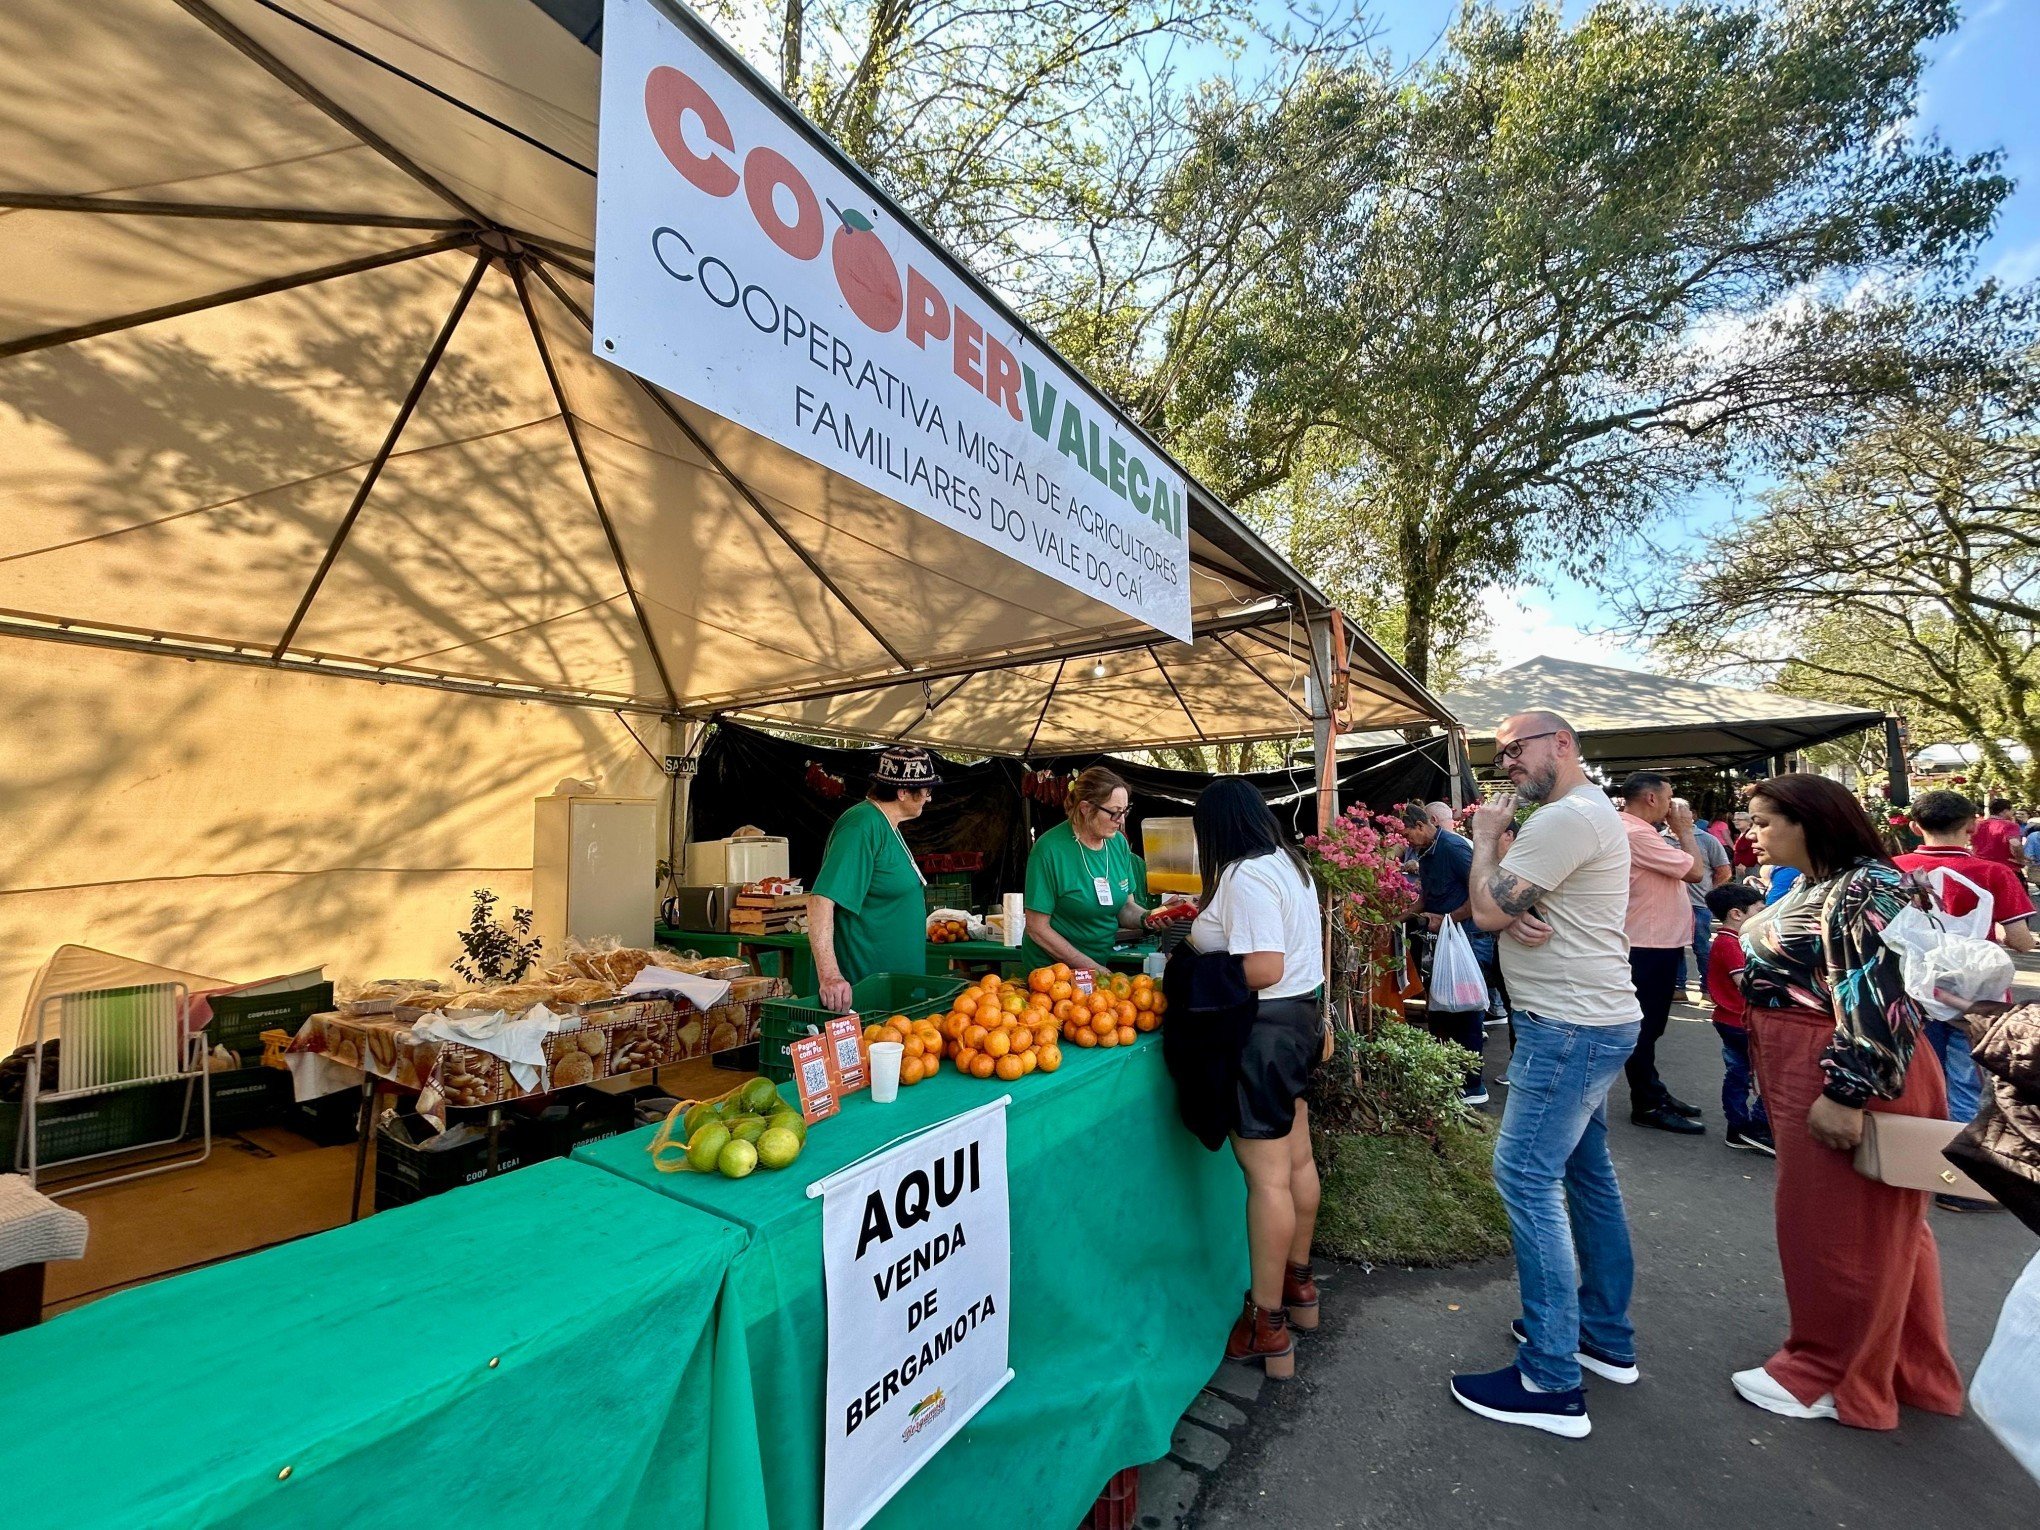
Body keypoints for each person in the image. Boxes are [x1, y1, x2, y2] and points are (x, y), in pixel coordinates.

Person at [1733, 773, 1963, 1430]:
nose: (1752, 833)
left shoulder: (1866, 887)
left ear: (1810, 821)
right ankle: (1898, 1367)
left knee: (1837, 1228)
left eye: (1763, 821)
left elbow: (1878, 994)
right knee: (1882, 1231)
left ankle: (1830, 1375)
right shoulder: (1827, 884)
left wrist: (1845, 1091)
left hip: (1844, 1069)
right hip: (1821, 1064)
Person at [1450, 711, 1640, 1439]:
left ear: (1561, 743)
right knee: (1587, 1177)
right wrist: (1514, 904)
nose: (1506, 765)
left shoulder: (1563, 819)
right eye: (1498, 755)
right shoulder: (1583, 814)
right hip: (1589, 1021)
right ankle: (1602, 1339)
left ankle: (1551, 1379)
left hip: (1567, 1028)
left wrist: (1489, 847)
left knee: (1526, 1178)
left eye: (1515, 749)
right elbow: (1510, 908)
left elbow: (1486, 909)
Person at [1177, 777, 1327, 1380]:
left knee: (1266, 1179)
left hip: (1262, 1034)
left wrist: (1197, 970)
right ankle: (1300, 1288)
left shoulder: (1244, 874)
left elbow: (1265, 966)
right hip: (1299, 1023)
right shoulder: (1290, 864)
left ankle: (1266, 1325)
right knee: (1296, 1162)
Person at [1891, 790, 2035, 1163]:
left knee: (1921, 1079)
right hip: (1975, 998)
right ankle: (1959, 1179)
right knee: (1966, 1084)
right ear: (1972, 825)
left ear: (1914, 825)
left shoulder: (1890, 868)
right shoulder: (1994, 872)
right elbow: (2018, 940)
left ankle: (1917, 1164)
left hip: (1910, 991)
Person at [810, 746, 941, 1012]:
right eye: (926, 790)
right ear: (903, 792)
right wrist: (830, 976)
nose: (928, 798)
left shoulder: (887, 825)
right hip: (867, 993)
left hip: (893, 992)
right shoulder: (862, 825)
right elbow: (821, 900)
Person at [1617, 773, 1708, 1134]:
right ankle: (1647, 1103)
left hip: (1654, 942)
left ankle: (1653, 1091)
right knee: (1645, 1028)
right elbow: (1696, 871)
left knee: (1650, 1027)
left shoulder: (1636, 830)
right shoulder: (1636, 833)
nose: (1675, 806)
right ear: (1652, 799)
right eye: (1670, 797)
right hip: (1647, 944)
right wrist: (1686, 830)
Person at [1018, 766, 1151, 976]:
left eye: (1125, 811)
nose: (1122, 821)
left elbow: (1125, 906)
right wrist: (1091, 968)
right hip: (1052, 974)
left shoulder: (1118, 845)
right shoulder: (1049, 850)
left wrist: (1149, 918)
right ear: (1086, 808)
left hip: (1098, 964)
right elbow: (1037, 928)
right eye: (1115, 813)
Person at [1400, 802, 1491, 1105]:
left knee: (1465, 1012)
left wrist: (1449, 918)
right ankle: (1450, 1076)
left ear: (1424, 824)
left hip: (1467, 938)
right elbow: (1427, 896)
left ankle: (1473, 1085)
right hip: (1442, 938)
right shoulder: (1425, 853)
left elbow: (1480, 890)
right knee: (1441, 1010)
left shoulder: (1452, 847)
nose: (1407, 841)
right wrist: (1398, 917)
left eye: (1408, 832)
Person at [1704, 883, 1772, 1155]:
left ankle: (1739, 1127)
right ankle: (1754, 1128)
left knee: (1738, 1073)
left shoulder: (1728, 941)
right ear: (1736, 913)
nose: (1764, 915)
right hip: (1740, 1020)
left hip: (1730, 1019)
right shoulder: (1730, 944)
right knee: (1763, 1076)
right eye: (1759, 910)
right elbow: (1745, 982)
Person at [1675, 802, 1732, 1002]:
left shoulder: (1707, 839)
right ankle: (1678, 987)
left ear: (1692, 814)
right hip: (1671, 906)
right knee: (1674, 948)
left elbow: (1724, 870)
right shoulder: (1659, 838)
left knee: (1701, 947)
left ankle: (1708, 989)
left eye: (1682, 811)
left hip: (1698, 904)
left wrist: (1709, 892)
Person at [1973, 798, 2027, 873]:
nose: (2012, 813)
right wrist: (2021, 860)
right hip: (2005, 868)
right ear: (2005, 811)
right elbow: (2015, 844)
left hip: (1981, 867)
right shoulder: (2009, 825)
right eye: (2011, 810)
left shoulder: (1978, 825)